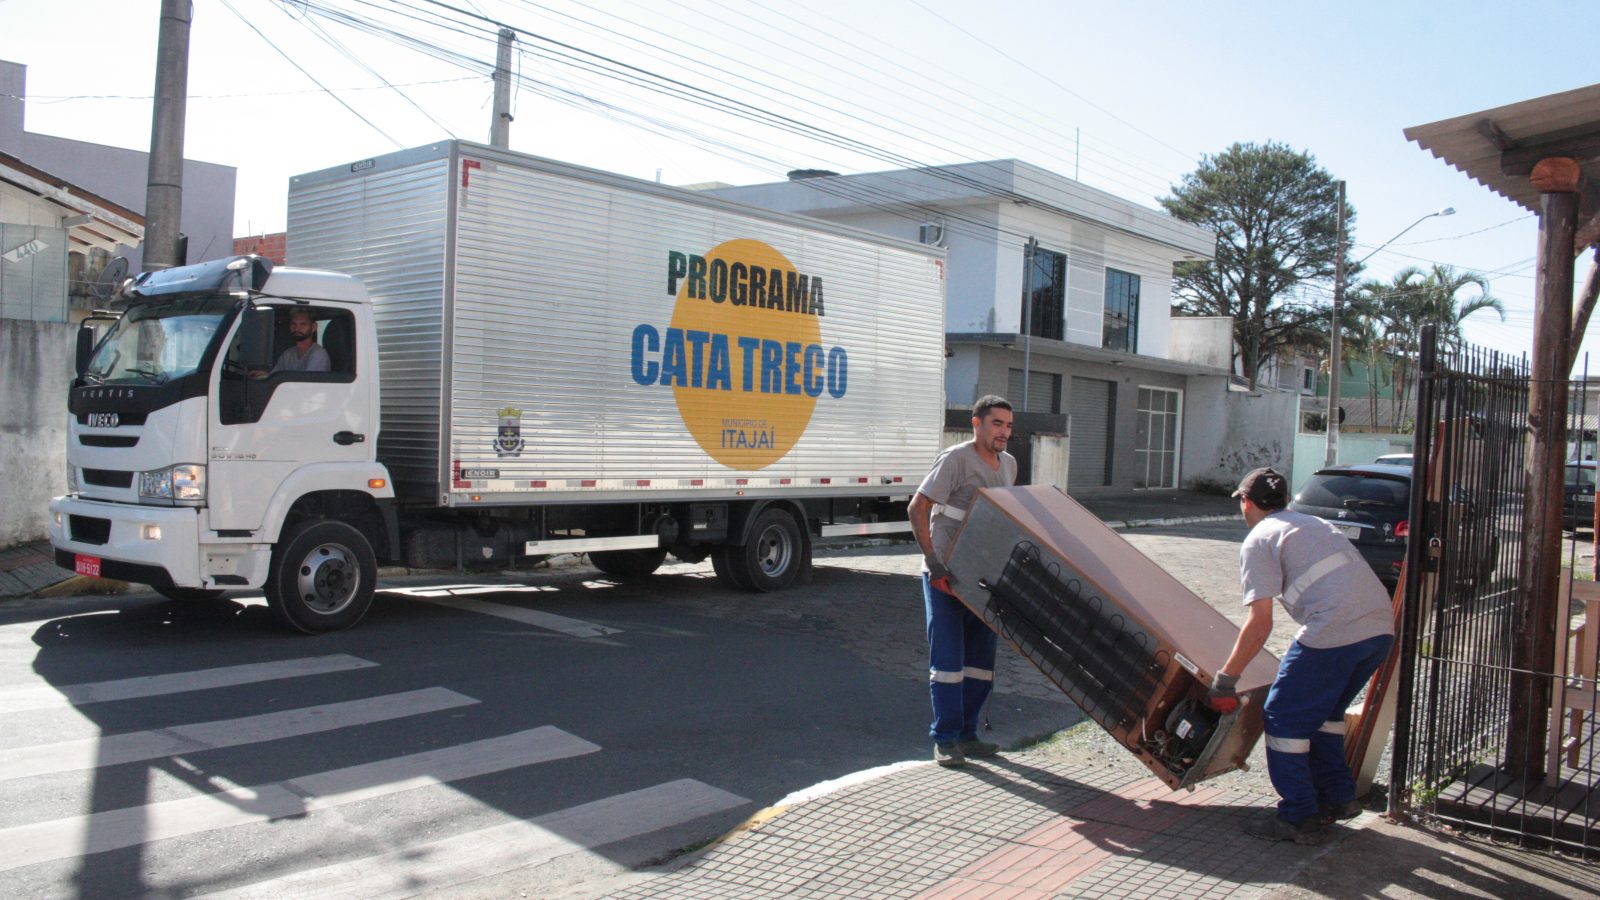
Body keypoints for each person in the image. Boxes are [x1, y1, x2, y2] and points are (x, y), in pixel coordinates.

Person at [1209, 466, 1395, 846]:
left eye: (1241, 503)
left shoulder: (1260, 538)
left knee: (1282, 716)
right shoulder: (1312, 522)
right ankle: (1338, 798)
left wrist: (1226, 680)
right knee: (1324, 715)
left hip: (1334, 630)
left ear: (1246, 502)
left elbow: (1260, 623)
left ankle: (1297, 816)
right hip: (1379, 630)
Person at [908, 394, 1017, 767]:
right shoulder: (956, 459)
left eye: (1008, 425)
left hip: (981, 579)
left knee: (979, 664)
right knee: (949, 663)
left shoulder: (1010, 466)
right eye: (996, 423)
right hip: (945, 578)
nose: (1003, 432)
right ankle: (945, 739)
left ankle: (969, 736)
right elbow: (917, 508)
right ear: (977, 423)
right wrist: (933, 563)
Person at [253, 308, 330, 377]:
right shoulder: (288, 354)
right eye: (293, 324)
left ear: (313, 327)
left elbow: (307, 384)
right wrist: (265, 376)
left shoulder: (319, 354)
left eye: (303, 324)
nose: (297, 328)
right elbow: (275, 377)